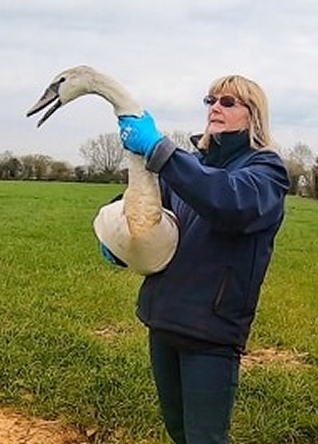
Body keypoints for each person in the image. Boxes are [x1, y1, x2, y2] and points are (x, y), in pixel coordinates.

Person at [111, 74, 290, 444]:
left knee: (206, 438)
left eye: (228, 102)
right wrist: (116, 236)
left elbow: (229, 202)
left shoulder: (265, 171)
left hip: (211, 333)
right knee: (179, 432)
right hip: (164, 319)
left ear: (253, 116)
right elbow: (140, 197)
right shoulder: (192, 166)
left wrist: (160, 151)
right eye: (210, 100)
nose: (215, 108)